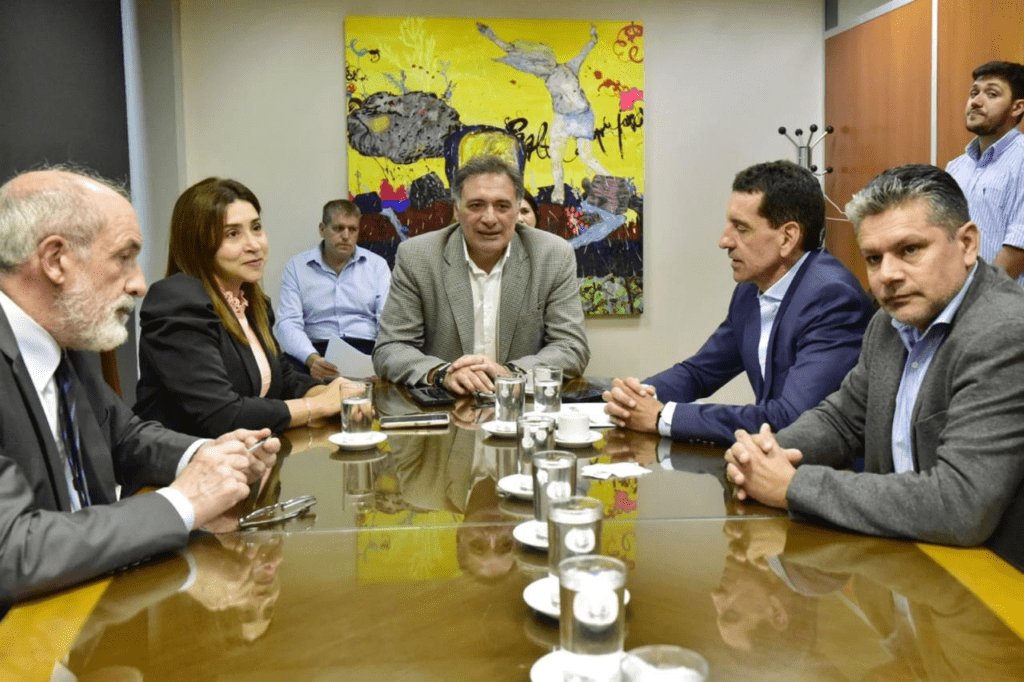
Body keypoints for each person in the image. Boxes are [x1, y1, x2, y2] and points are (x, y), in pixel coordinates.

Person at [0, 168, 280, 606]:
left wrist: (207, 454)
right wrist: (183, 503)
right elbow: (12, 550)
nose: (139, 284)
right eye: (123, 257)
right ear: (55, 260)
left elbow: (125, 436)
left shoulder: (64, 338)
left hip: (91, 599)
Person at [725, 165, 1024, 557]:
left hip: (992, 577)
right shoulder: (889, 322)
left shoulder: (1005, 332)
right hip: (905, 556)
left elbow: (960, 504)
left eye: (910, 250)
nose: (887, 275)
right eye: (873, 258)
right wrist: (764, 454)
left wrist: (791, 486)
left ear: (967, 244)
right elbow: (842, 420)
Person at [603, 161, 873, 445]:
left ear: (787, 237)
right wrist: (638, 396)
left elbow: (792, 418)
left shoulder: (832, 298)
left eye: (741, 228)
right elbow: (701, 372)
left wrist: (663, 417)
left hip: (820, 466)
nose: (724, 241)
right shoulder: (750, 290)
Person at [134, 178, 357, 438]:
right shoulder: (177, 301)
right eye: (233, 234)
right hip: (184, 458)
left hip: (248, 453)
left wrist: (334, 394)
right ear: (198, 243)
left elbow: (283, 378)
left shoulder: (251, 303)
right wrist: (317, 406)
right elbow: (221, 415)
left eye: (256, 228)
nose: (254, 245)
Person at [372, 155, 590, 394]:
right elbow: (391, 349)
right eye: (476, 205)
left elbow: (571, 346)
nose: (489, 218)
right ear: (457, 210)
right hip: (446, 403)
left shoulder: (553, 255)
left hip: (522, 404)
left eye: (502, 206)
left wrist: (509, 374)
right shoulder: (417, 257)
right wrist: (442, 374)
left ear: (517, 210)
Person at [275, 199, 391, 380]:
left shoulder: (377, 265)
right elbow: (288, 322)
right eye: (338, 228)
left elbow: (387, 319)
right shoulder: (297, 267)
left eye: (352, 229)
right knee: (282, 373)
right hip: (316, 351)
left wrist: (379, 359)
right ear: (322, 229)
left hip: (366, 349)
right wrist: (312, 359)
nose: (346, 236)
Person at [946, 61, 1024, 285]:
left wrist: (976, 297)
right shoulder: (955, 167)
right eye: (974, 93)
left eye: (991, 94)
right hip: (958, 293)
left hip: (1005, 300)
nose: (976, 102)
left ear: (1017, 107)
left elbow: (1018, 249)